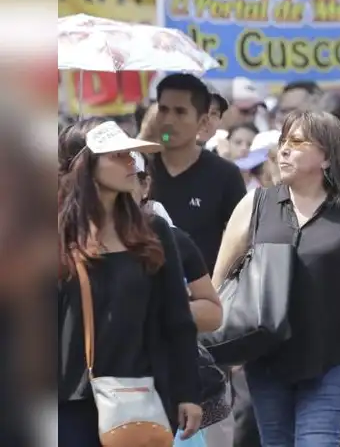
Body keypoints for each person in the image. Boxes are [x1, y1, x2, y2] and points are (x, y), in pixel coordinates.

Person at [212, 110, 340, 447]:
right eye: (283, 141)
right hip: (265, 362)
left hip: (330, 363)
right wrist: (218, 346)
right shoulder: (256, 204)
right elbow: (220, 282)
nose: (284, 149)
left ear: (327, 157)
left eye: (297, 142)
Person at [57, 119, 202, 446]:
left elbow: (177, 320)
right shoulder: (52, 232)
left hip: (138, 397)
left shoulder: (154, 231)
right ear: (84, 166)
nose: (131, 162)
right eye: (118, 155)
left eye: (131, 154)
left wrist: (188, 393)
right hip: (67, 403)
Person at [133, 151, 231, 446]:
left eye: (130, 176)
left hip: (164, 392)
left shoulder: (170, 238)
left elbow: (213, 313)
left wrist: (166, 309)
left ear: (145, 185)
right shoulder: (70, 240)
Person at [147, 73, 247, 274]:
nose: (169, 120)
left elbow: (242, 240)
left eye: (180, 112)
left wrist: (216, 285)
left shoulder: (225, 175)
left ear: (202, 122)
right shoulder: (138, 168)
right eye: (163, 110)